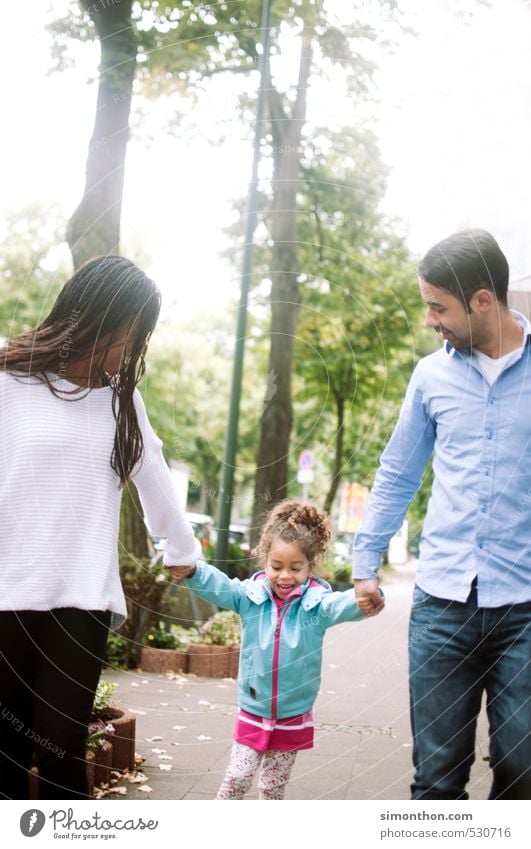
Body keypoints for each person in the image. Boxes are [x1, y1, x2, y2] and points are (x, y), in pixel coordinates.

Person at [0, 255, 201, 800]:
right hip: (8, 591)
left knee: (62, 745)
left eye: (138, 338)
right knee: (5, 750)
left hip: (81, 600)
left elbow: (154, 477)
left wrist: (183, 549)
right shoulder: (9, 379)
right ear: (90, 319)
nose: (128, 350)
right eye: (126, 334)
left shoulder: (122, 402)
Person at [352, 229, 531, 800]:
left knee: (523, 773)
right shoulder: (431, 376)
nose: (430, 319)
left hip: (526, 610)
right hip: (441, 610)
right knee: (435, 781)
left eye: (438, 306)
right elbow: (398, 471)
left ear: (483, 300)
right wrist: (364, 559)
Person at [169, 499, 374, 800]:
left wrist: (365, 597)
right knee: (236, 779)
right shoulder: (249, 597)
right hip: (253, 707)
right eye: (276, 566)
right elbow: (220, 586)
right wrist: (193, 572)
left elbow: (340, 604)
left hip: (293, 713)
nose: (285, 576)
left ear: (311, 566)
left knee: (272, 789)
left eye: (296, 568)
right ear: (264, 561)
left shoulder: (315, 606)